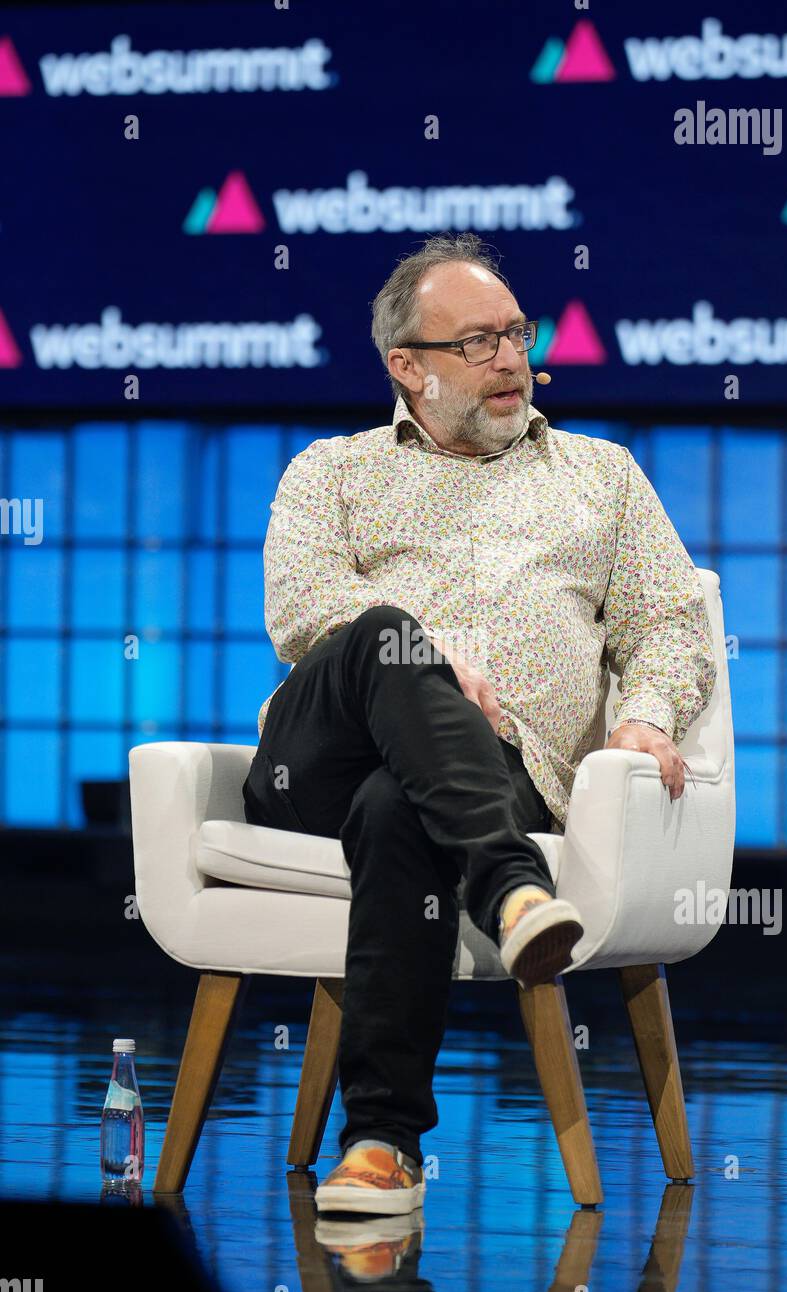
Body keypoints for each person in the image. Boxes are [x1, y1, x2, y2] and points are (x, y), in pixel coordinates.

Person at [243, 232, 716, 1216]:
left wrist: (643, 715)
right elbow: (301, 611)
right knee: (381, 635)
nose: (511, 358)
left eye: (515, 332)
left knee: (399, 806)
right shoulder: (330, 472)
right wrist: (426, 660)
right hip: (314, 764)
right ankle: (509, 885)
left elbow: (670, 623)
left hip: (494, 776)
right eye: (476, 342)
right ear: (405, 366)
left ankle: (379, 1144)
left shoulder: (602, 477)